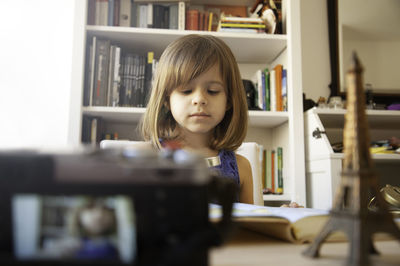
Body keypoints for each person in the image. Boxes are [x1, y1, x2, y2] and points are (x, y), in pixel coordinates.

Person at [140, 34, 254, 204]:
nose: (199, 99)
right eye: (186, 91)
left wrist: (284, 213)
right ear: (166, 100)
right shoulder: (145, 158)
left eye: (213, 91)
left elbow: (253, 223)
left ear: (229, 100)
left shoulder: (241, 166)